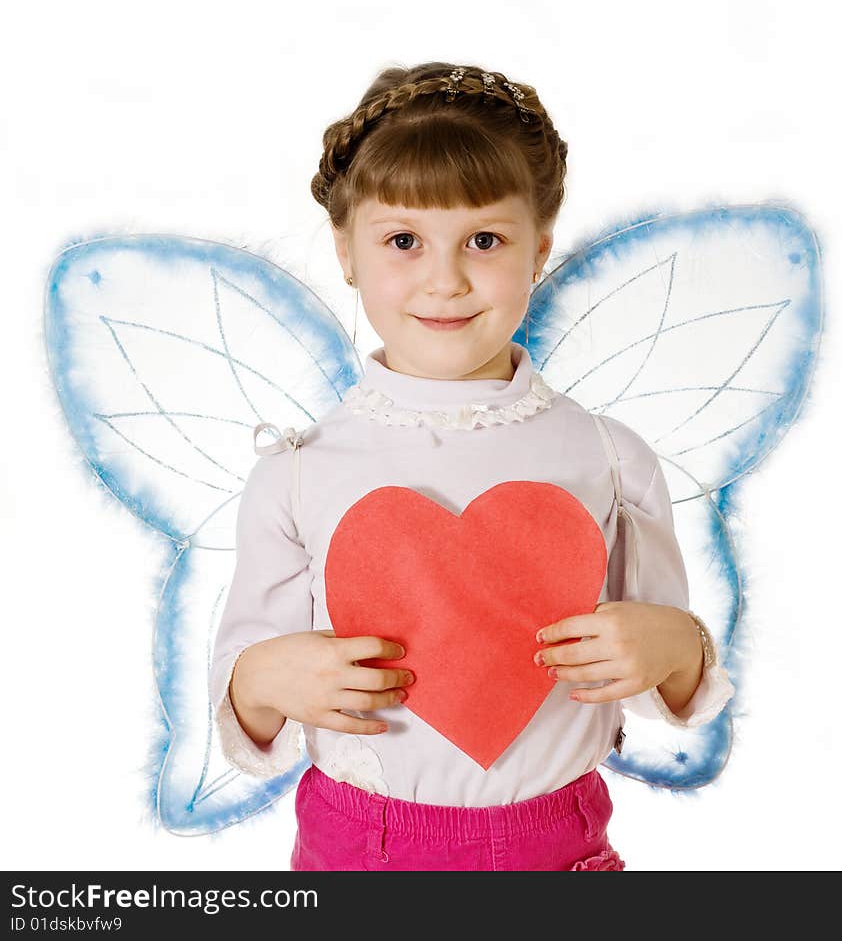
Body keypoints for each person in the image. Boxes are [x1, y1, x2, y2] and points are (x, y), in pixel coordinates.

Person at [209, 60, 735, 871]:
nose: (445, 279)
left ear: (540, 249)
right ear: (346, 250)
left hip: (557, 847)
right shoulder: (300, 472)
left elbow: (673, 670)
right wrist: (263, 679)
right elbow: (244, 693)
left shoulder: (607, 457)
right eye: (403, 241)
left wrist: (673, 644)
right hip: (363, 847)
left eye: (484, 240)